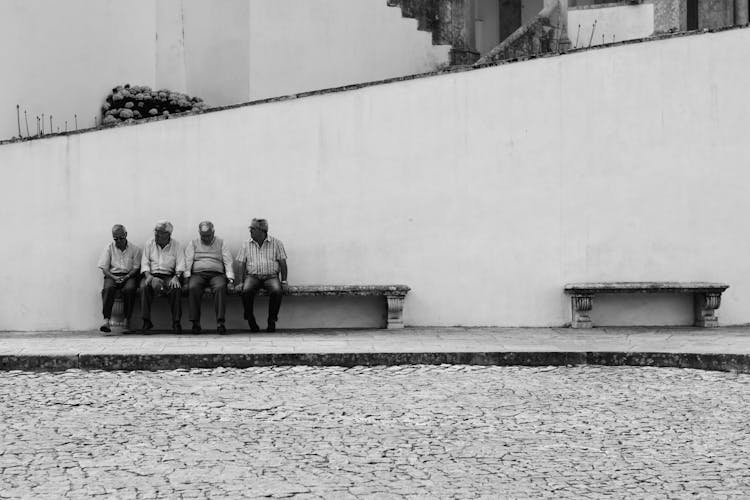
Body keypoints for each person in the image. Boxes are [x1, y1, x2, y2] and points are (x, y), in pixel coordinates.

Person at [236, 218, 288, 332]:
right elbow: (241, 263)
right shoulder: (246, 244)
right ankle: (250, 319)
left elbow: (283, 263)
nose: (250, 231)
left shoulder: (276, 243)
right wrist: (240, 282)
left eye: (252, 229)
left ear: (262, 230)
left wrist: (284, 281)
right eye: (250, 228)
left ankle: (272, 320)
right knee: (246, 291)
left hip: (271, 276)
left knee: (277, 291)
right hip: (252, 276)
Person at [184, 221, 235, 334]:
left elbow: (228, 261)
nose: (206, 238)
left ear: (213, 232)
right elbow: (188, 262)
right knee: (193, 288)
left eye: (208, 235)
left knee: (221, 287)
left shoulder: (221, 243)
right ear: (199, 233)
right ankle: (195, 323)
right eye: (203, 236)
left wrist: (230, 279)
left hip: (216, 274)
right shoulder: (193, 243)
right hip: (198, 274)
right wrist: (186, 279)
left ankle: (220, 322)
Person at [140, 220, 185, 332]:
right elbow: (144, 263)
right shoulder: (149, 243)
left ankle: (176, 322)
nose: (156, 234)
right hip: (151, 275)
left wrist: (177, 277)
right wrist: (149, 276)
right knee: (144, 288)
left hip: (169, 276)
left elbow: (180, 265)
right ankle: (146, 322)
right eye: (155, 231)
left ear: (168, 234)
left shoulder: (176, 245)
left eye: (159, 232)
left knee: (176, 288)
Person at [97, 224, 142, 333]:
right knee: (108, 289)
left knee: (130, 289)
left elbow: (136, 268)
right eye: (115, 238)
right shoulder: (109, 248)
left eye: (121, 238)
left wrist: (126, 277)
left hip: (129, 275)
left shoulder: (134, 249)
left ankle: (127, 321)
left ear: (126, 235)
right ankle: (106, 321)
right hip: (112, 275)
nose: (118, 241)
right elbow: (104, 268)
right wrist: (114, 277)